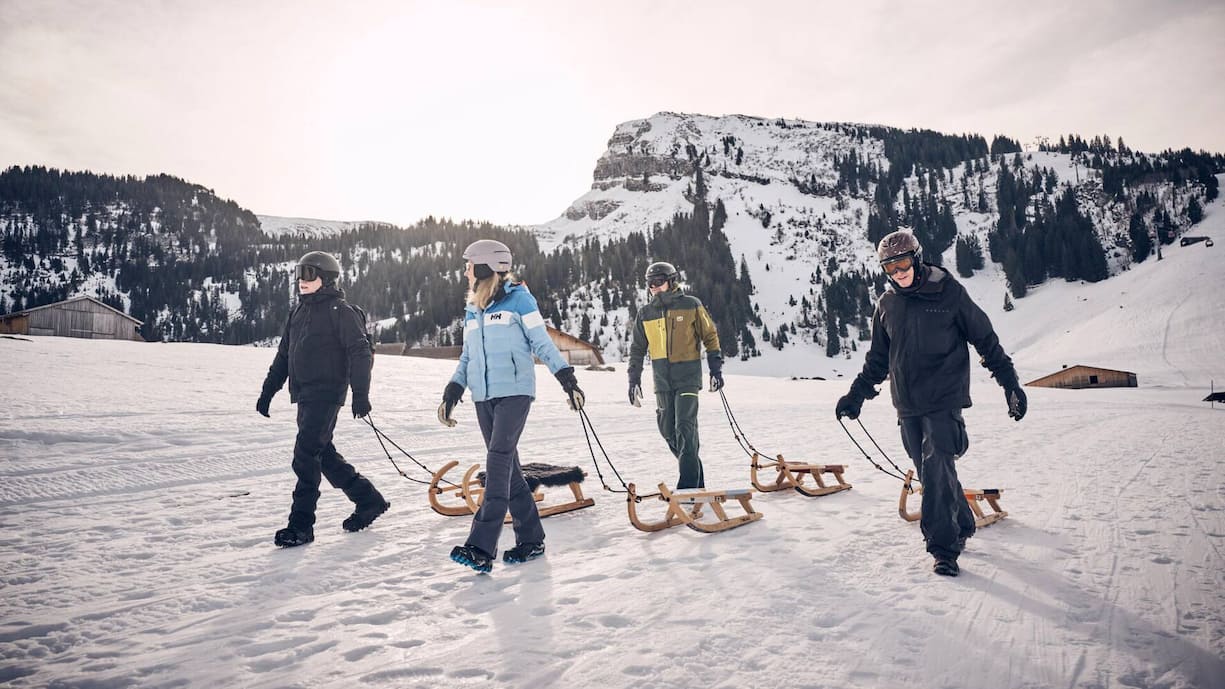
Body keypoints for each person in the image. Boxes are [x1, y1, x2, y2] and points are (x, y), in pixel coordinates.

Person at [836, 230, 1026, 577]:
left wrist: (1009, 383)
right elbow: (878, 360)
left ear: (917, 258)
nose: (899, 272)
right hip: (907, 403)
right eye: (890, 267)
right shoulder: (887, 305)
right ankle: (963, 523)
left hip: (944, 398)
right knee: (930, 473)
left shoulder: (949, 292)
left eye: (903, 262)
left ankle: (944, 549)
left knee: (937, 466)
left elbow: (985, 339)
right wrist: (855, 396)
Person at [441, 239, 585, 573]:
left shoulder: (520, 300)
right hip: (482, 395)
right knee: (512, 474)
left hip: (515, 393)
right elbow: (467, 357)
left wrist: (567, 379)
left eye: (468, 265)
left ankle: (480, 546)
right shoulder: (473, 308)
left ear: (483, 267)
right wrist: (453, 390)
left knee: (498, 461)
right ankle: (531, 541)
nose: (465, 271)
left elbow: (541, 343)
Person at [257, 251, 389, 548]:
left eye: (309, 274)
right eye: (299, 274)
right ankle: (369, 499)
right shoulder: (298, 313)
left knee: (305, 455)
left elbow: (359, 352)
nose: (302, 281)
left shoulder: (341, 311)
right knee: (321, 453)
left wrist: (360, 394)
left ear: (326, 278)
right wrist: (268, 391)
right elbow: (283, 356)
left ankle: (301, 525)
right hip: (303, 394)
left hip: (328, 393)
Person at [626, 261, 724, 490]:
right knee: (668, 430)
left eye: (658, 282)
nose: (654, 287)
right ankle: (696, 479)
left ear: (671, 281)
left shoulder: (691, 305)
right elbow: (637, 349)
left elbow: (710, 335)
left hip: (687, 377)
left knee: (685, 428)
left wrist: (715, 368)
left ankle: (687, 487)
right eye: (650, 284)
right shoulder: (645, 313)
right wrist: (634, 379)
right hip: (662, 380)